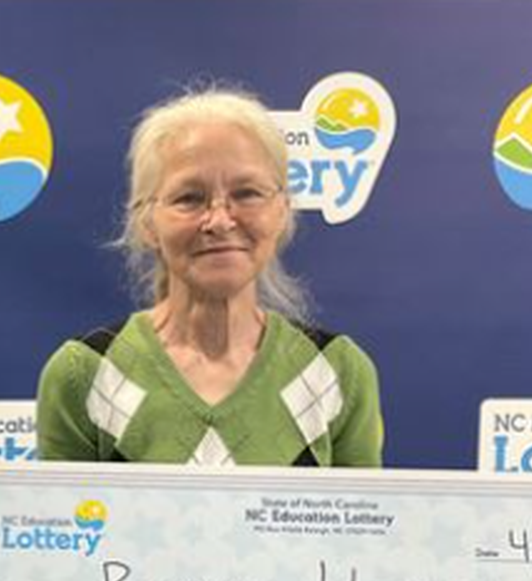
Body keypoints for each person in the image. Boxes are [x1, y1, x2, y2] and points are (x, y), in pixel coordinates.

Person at [36, 87, 383, 466]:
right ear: (147, 223)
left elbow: (359, 522)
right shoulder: (84, 373)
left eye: (247, 193)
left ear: (282, 211)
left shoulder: (337, 371)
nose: (219, 220)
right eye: (189, 198)